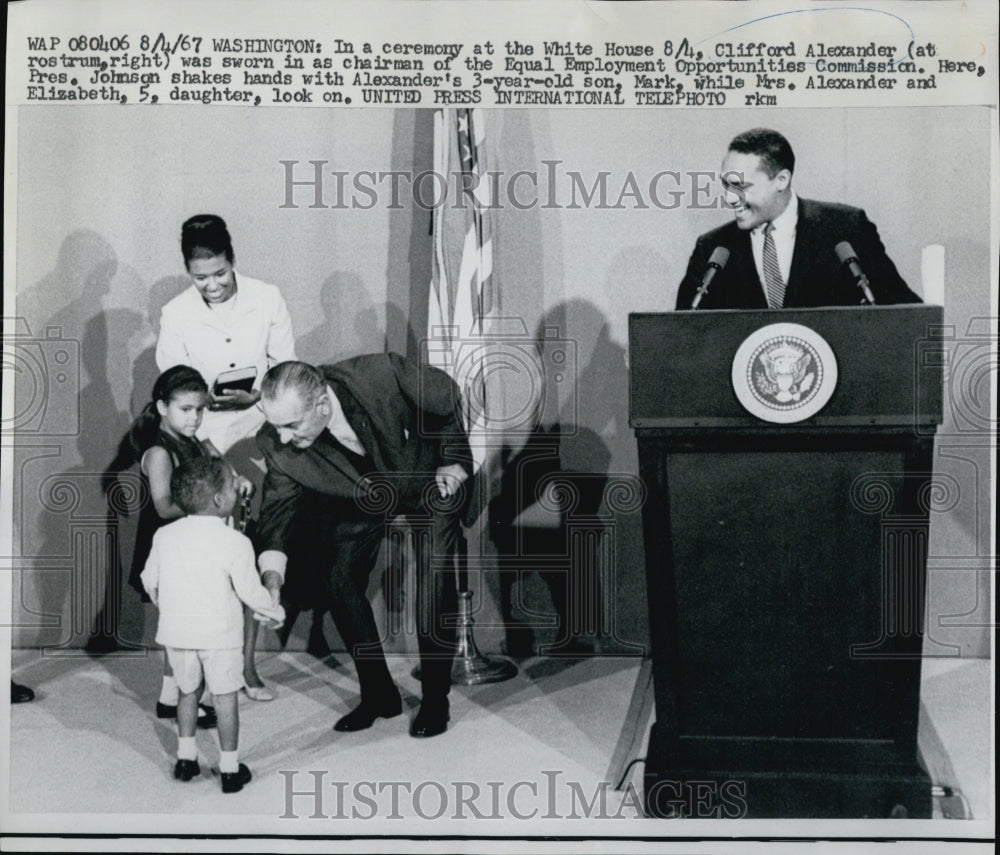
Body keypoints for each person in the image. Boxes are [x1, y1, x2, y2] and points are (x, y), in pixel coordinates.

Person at [254, 357, 472, 738]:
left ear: (322, 404)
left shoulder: (380, 375)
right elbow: (276, 517)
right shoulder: (277, 444)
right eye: (276, 425)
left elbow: (445, 395)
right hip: (361, 497)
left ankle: (436, 698)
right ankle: (379, 695)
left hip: (427, 478)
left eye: (291, 425)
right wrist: (271, 580)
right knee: (337, 578)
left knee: (434, 573)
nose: (283, 437)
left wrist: (454, 460)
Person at [156, 213, 297, 700]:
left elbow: (287, 371)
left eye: (219, 273)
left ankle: (247, 668)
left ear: (232, 260)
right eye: (200, 277)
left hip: (260, 434)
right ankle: (183, 676)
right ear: (187, 271)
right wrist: (208, 403)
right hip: (201, 444)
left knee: (249, 556)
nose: (212, 285)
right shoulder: (175, 312)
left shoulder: (267, 296)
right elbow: (175, 384)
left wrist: (256, 395)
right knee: (200, 565)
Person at [141, 457, 284, 793]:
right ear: (221, 501)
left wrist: (169, 605)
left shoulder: (164, 535)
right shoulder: (235, 541)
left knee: (187, 693)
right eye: (232, 485)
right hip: (220, 637)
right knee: (224, 700)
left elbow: (149, 579)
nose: (237, 489)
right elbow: (250, 591)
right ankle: (231, 769)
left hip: (177, 634)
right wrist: (274, 611)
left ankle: (186, 759)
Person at [126, 365, 254, 729]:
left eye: (200, 409)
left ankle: (171, 698)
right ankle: (179, 696)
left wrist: (236, 479)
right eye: (186, 409)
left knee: (183, 627)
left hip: (197, 547)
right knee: (180, 629)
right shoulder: (159, 452)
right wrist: (211, 503)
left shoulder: (196, 440)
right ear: (163, 407)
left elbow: (220, 465)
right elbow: (164, 506)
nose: (195, 417)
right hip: (171, 548)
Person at [676, 128, 923, 310]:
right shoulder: (712, 248)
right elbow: (681, 333)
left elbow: (904, 311)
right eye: (726, 186)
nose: (731, 198)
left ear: (781, 180)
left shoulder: (846, 229)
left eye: (741, 186)